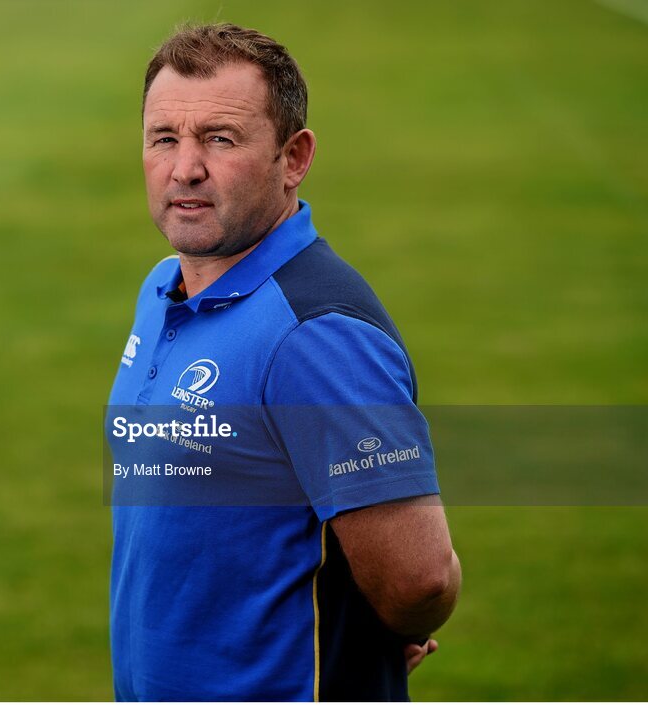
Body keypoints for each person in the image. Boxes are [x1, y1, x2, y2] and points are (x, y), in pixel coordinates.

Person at [106, 23, 461, 701]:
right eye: (164, 138)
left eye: (221, 138)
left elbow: (419, 579)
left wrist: (362, 648)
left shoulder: (315, 335)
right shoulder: (162, 289)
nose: (186, 168)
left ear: (293, 157)